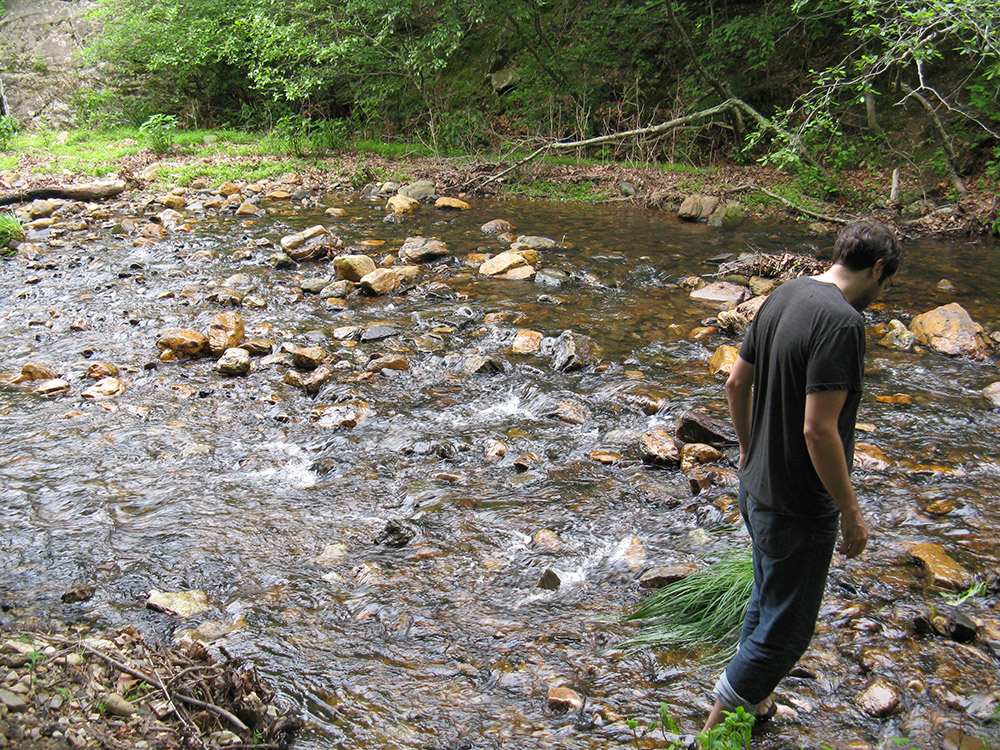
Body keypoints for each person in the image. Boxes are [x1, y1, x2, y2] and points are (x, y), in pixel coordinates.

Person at [702, 219, 902, 733]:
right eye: (886, 285)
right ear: (877, 269)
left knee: (767, 601)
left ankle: (758, 704)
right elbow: (819, 431)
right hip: (799, 503)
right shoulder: (842, 323)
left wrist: (749, 450)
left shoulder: (784, 294)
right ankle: (714, 735)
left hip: (758, 487)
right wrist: (852, 512)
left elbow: (735, 384)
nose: (880, 297)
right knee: (786, 633)